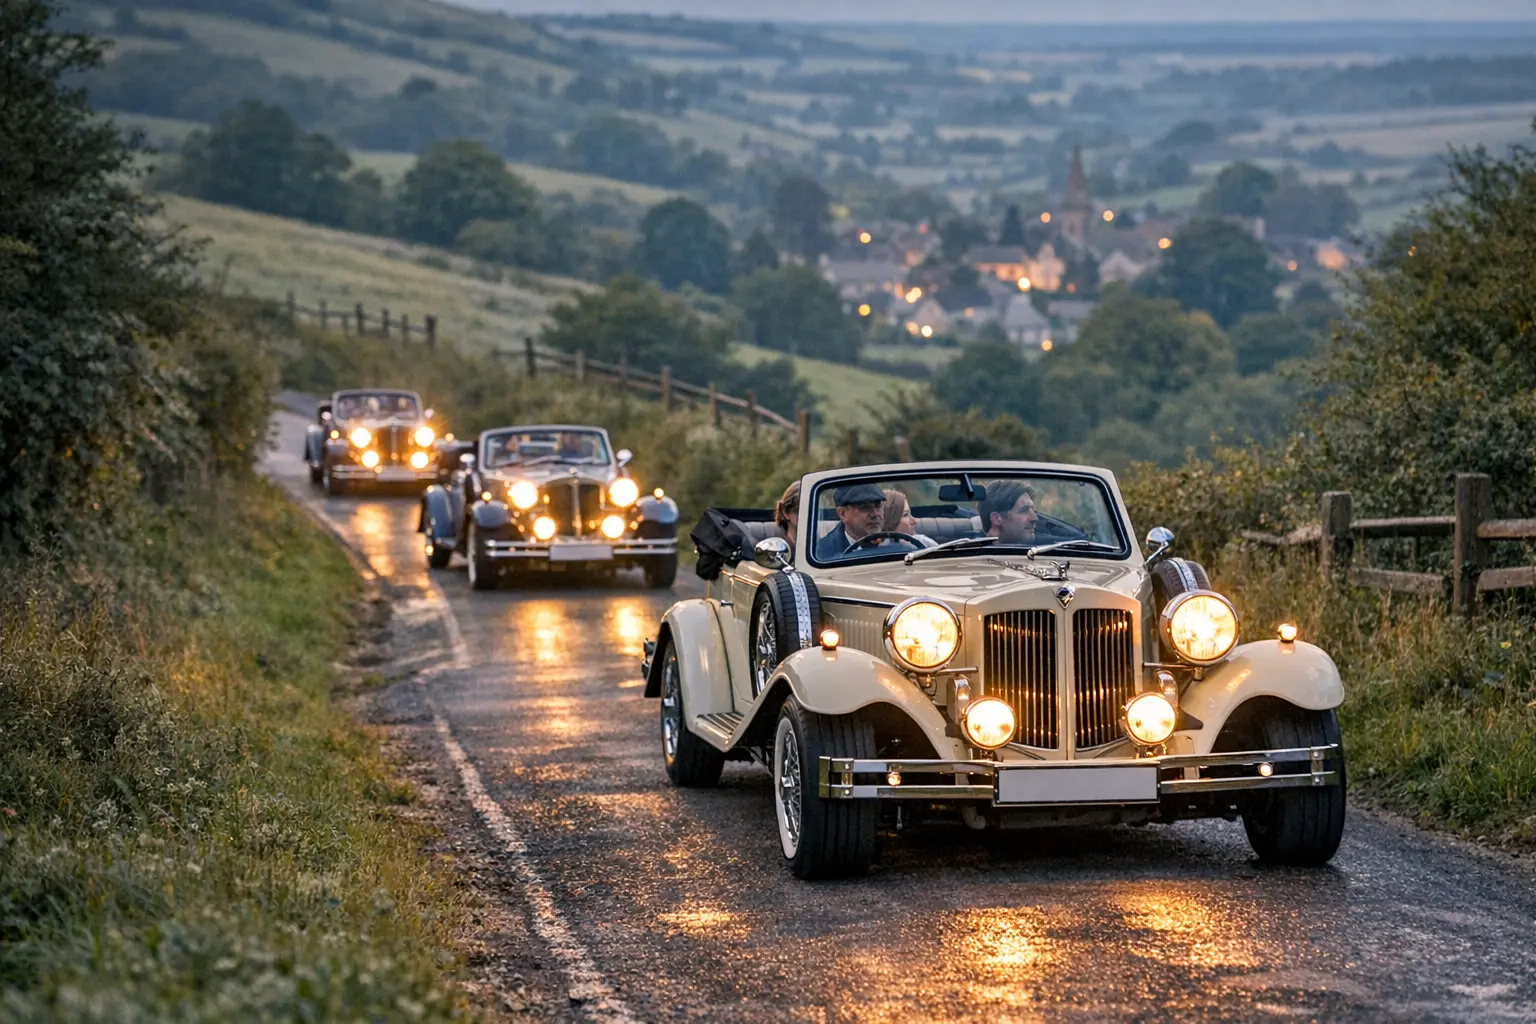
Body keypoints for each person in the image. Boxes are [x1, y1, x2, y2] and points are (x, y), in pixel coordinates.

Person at [814, 482, 887, 560]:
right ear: (843, 514)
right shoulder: (822, 554)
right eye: (865, 507)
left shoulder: (894, 542)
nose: (875, 514)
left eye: (878, 505)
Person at [980, 480, 1038, 544]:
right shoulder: (975, 552)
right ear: (996, 519)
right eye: (1024, 510)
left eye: (1034, 511)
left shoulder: (1043, 548)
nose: (1034, 518)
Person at [775, 480, 801, 553]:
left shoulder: (824, 543)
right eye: (800, 510)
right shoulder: (777, 547)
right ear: (785, 512)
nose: (808, 516)